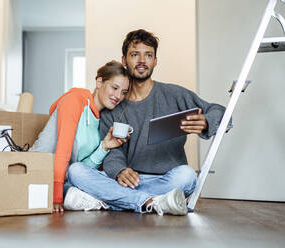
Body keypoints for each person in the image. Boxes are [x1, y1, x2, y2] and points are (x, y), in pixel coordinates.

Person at [64, 29, 231, 216]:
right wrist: (120, 170)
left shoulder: (175, 95)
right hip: (125, 181)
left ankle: (111, 201)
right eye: (135, 55)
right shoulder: (113, 104)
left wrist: (207, 121)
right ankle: (152, 202)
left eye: (148, 55)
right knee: (76, 171)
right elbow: (112, 150)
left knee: (187, 176)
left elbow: (222, 112)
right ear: (124, 60)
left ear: (155, 61)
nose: (142, 61)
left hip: (165, 180)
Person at [29, 60, 130, 212]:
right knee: (95, 189)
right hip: (38, 175)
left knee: (104, 179)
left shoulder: (101, 122)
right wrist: (56, 198)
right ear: (99, 82)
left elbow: (80, 169)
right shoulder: (75, 100)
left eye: (123, 92)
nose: (118, 96)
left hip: (66, 181)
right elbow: (63, 151)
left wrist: (104, 146)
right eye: (114, 88)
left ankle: (95, 199)